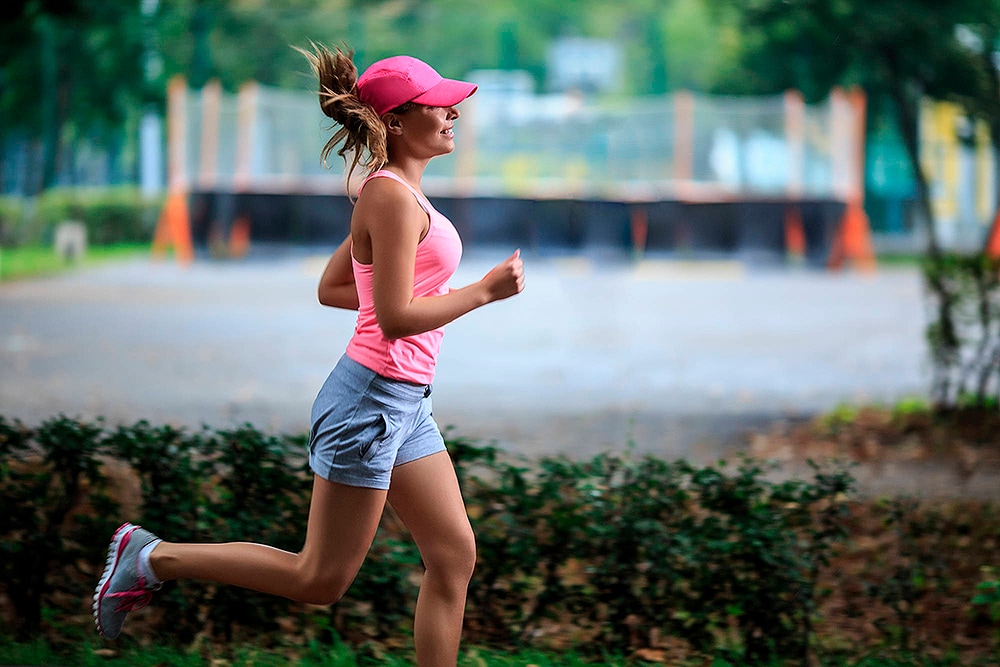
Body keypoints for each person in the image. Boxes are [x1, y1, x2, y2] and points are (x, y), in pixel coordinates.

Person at [93, 44, 525, 667]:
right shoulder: (390, 198)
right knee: (318, 579)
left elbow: (336, 288)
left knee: (453, 555)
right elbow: (398, 318)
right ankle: (153, 557)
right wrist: (480, 292)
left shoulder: (397, 193)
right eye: (437, 105)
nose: (452, 113)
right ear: (396, 122)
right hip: (371, 402)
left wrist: (405, 300)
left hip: (403, 402)